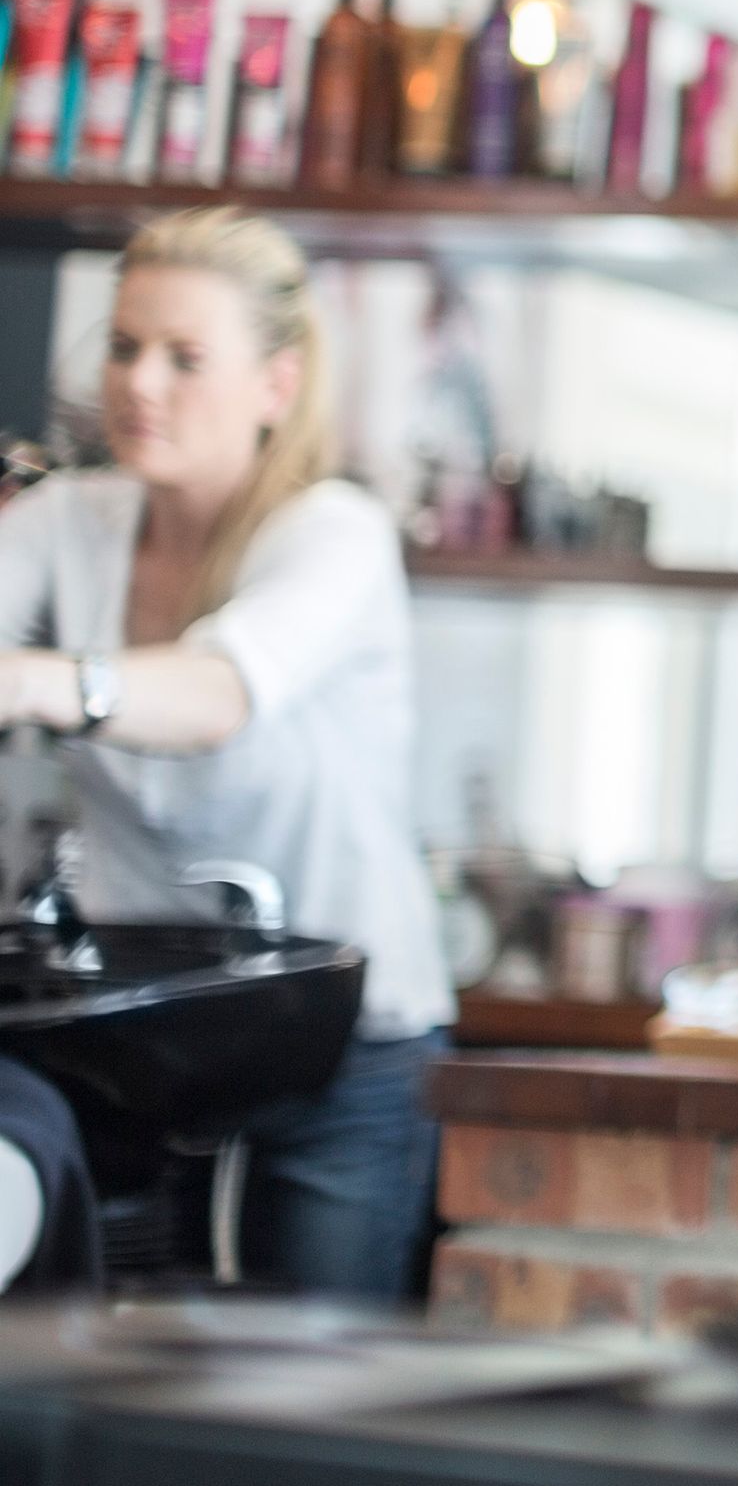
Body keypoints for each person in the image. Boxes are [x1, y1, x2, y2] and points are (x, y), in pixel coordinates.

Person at [0, 207, 453, 1297]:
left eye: (185, 356)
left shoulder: (333, 532)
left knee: (298, 1414)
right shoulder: (68, 519)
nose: (140, 382)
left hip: (343, 1045)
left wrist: (35, 679)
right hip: (144, 1041)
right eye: (123, 345)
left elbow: (216, 694)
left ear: (276, 384)